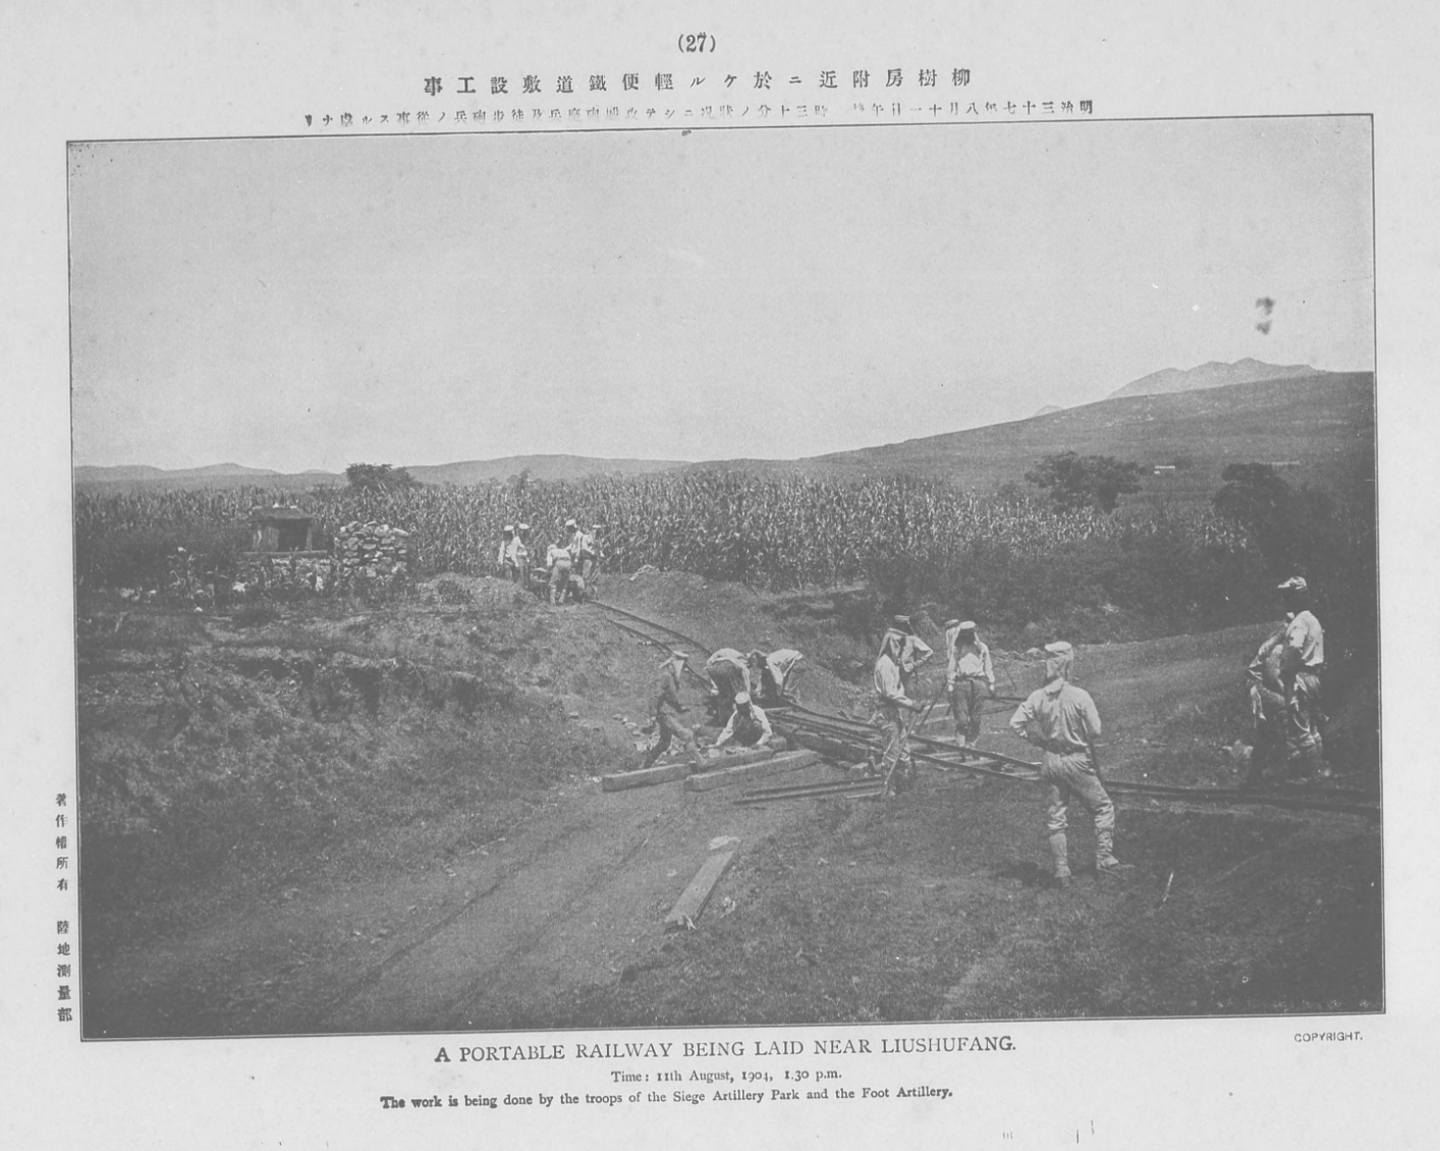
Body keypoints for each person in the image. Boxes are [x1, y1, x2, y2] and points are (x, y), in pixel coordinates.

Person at [1009, 641, 1132, 886]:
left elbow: (1015, 724)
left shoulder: (1037, 697)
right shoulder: (1079, 696)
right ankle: (1105, 859)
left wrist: (1037, 739)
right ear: (1068, 665)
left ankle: (1061, 870)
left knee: (1056, 816)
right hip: (1076, 759)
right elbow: (1095, 731)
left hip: (1051, 760)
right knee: (1103, 807)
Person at [1277, 576, 1330, 782]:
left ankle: (1313, 773)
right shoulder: (1312, 619)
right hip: (1314, 675)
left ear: (1296, 598)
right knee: (1312, 726)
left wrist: (1286, 668)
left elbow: (1295, 647)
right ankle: (1318, 768)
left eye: (1288, 596)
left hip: (1300, 677)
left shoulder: (1299, 622)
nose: (1285, 601)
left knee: (1300, 727)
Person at [872, 629, 925, 792]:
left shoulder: (893, 664)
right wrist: (911, 704)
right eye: (899, 647)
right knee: (892, 752)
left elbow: (898, 689)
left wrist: (912, 702)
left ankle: (904, 787)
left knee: (904, 751)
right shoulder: (885, 664)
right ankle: (888, 790)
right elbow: (890, 693)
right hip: (887, 713)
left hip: (894, 712)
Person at [640, 650, 706, 773]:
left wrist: (680, 708)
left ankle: (645, 766)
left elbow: (671, 698)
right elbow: (655, 696)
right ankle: (702, 764)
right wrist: (652, 716)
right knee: (686, 735)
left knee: (664, 743)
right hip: (664, 714)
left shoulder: (670, 677)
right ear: (671, 665)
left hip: (667, 712)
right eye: (680, 666)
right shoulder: (665, 676)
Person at [1243, 622, 1289, 787]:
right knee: (1287, 712)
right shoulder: (1277, 650)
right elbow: (1272, 677)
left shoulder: (1274, 647)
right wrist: (1286, 692)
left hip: (1259, 690)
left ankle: (1256, 774)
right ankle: (1280, 769)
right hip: (1260, 690)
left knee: (1267, 733)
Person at [945, 620, 996, 750]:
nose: (968, 637)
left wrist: (991, 683)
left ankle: (971, 745)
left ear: (974, 634)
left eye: (970, 634)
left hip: (978, 683)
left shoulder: (982, 648)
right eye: (965, 634)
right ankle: (961, 745)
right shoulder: (958, 648)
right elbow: (951, 667)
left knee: (976, 718)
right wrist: (950, 685)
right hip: (961, 684)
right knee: (962, 718)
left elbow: (988, 667)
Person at [704, 648, 751, 722]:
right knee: (735, 693)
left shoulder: (733, 658)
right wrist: (747, 696)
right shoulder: (744, 668)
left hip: (713, 669)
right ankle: (735, 715)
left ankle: (723, 717)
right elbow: (746, 684)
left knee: (724, 694)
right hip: (726, 669)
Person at [545, 534, 574, 605]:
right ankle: (561, 600)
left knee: (553, 583)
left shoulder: (551, 552)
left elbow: (549, 564)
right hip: (568, 563)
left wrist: (548, 572)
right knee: (564, 583)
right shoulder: (563, 550)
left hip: (559, 562)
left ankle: (552, 602)